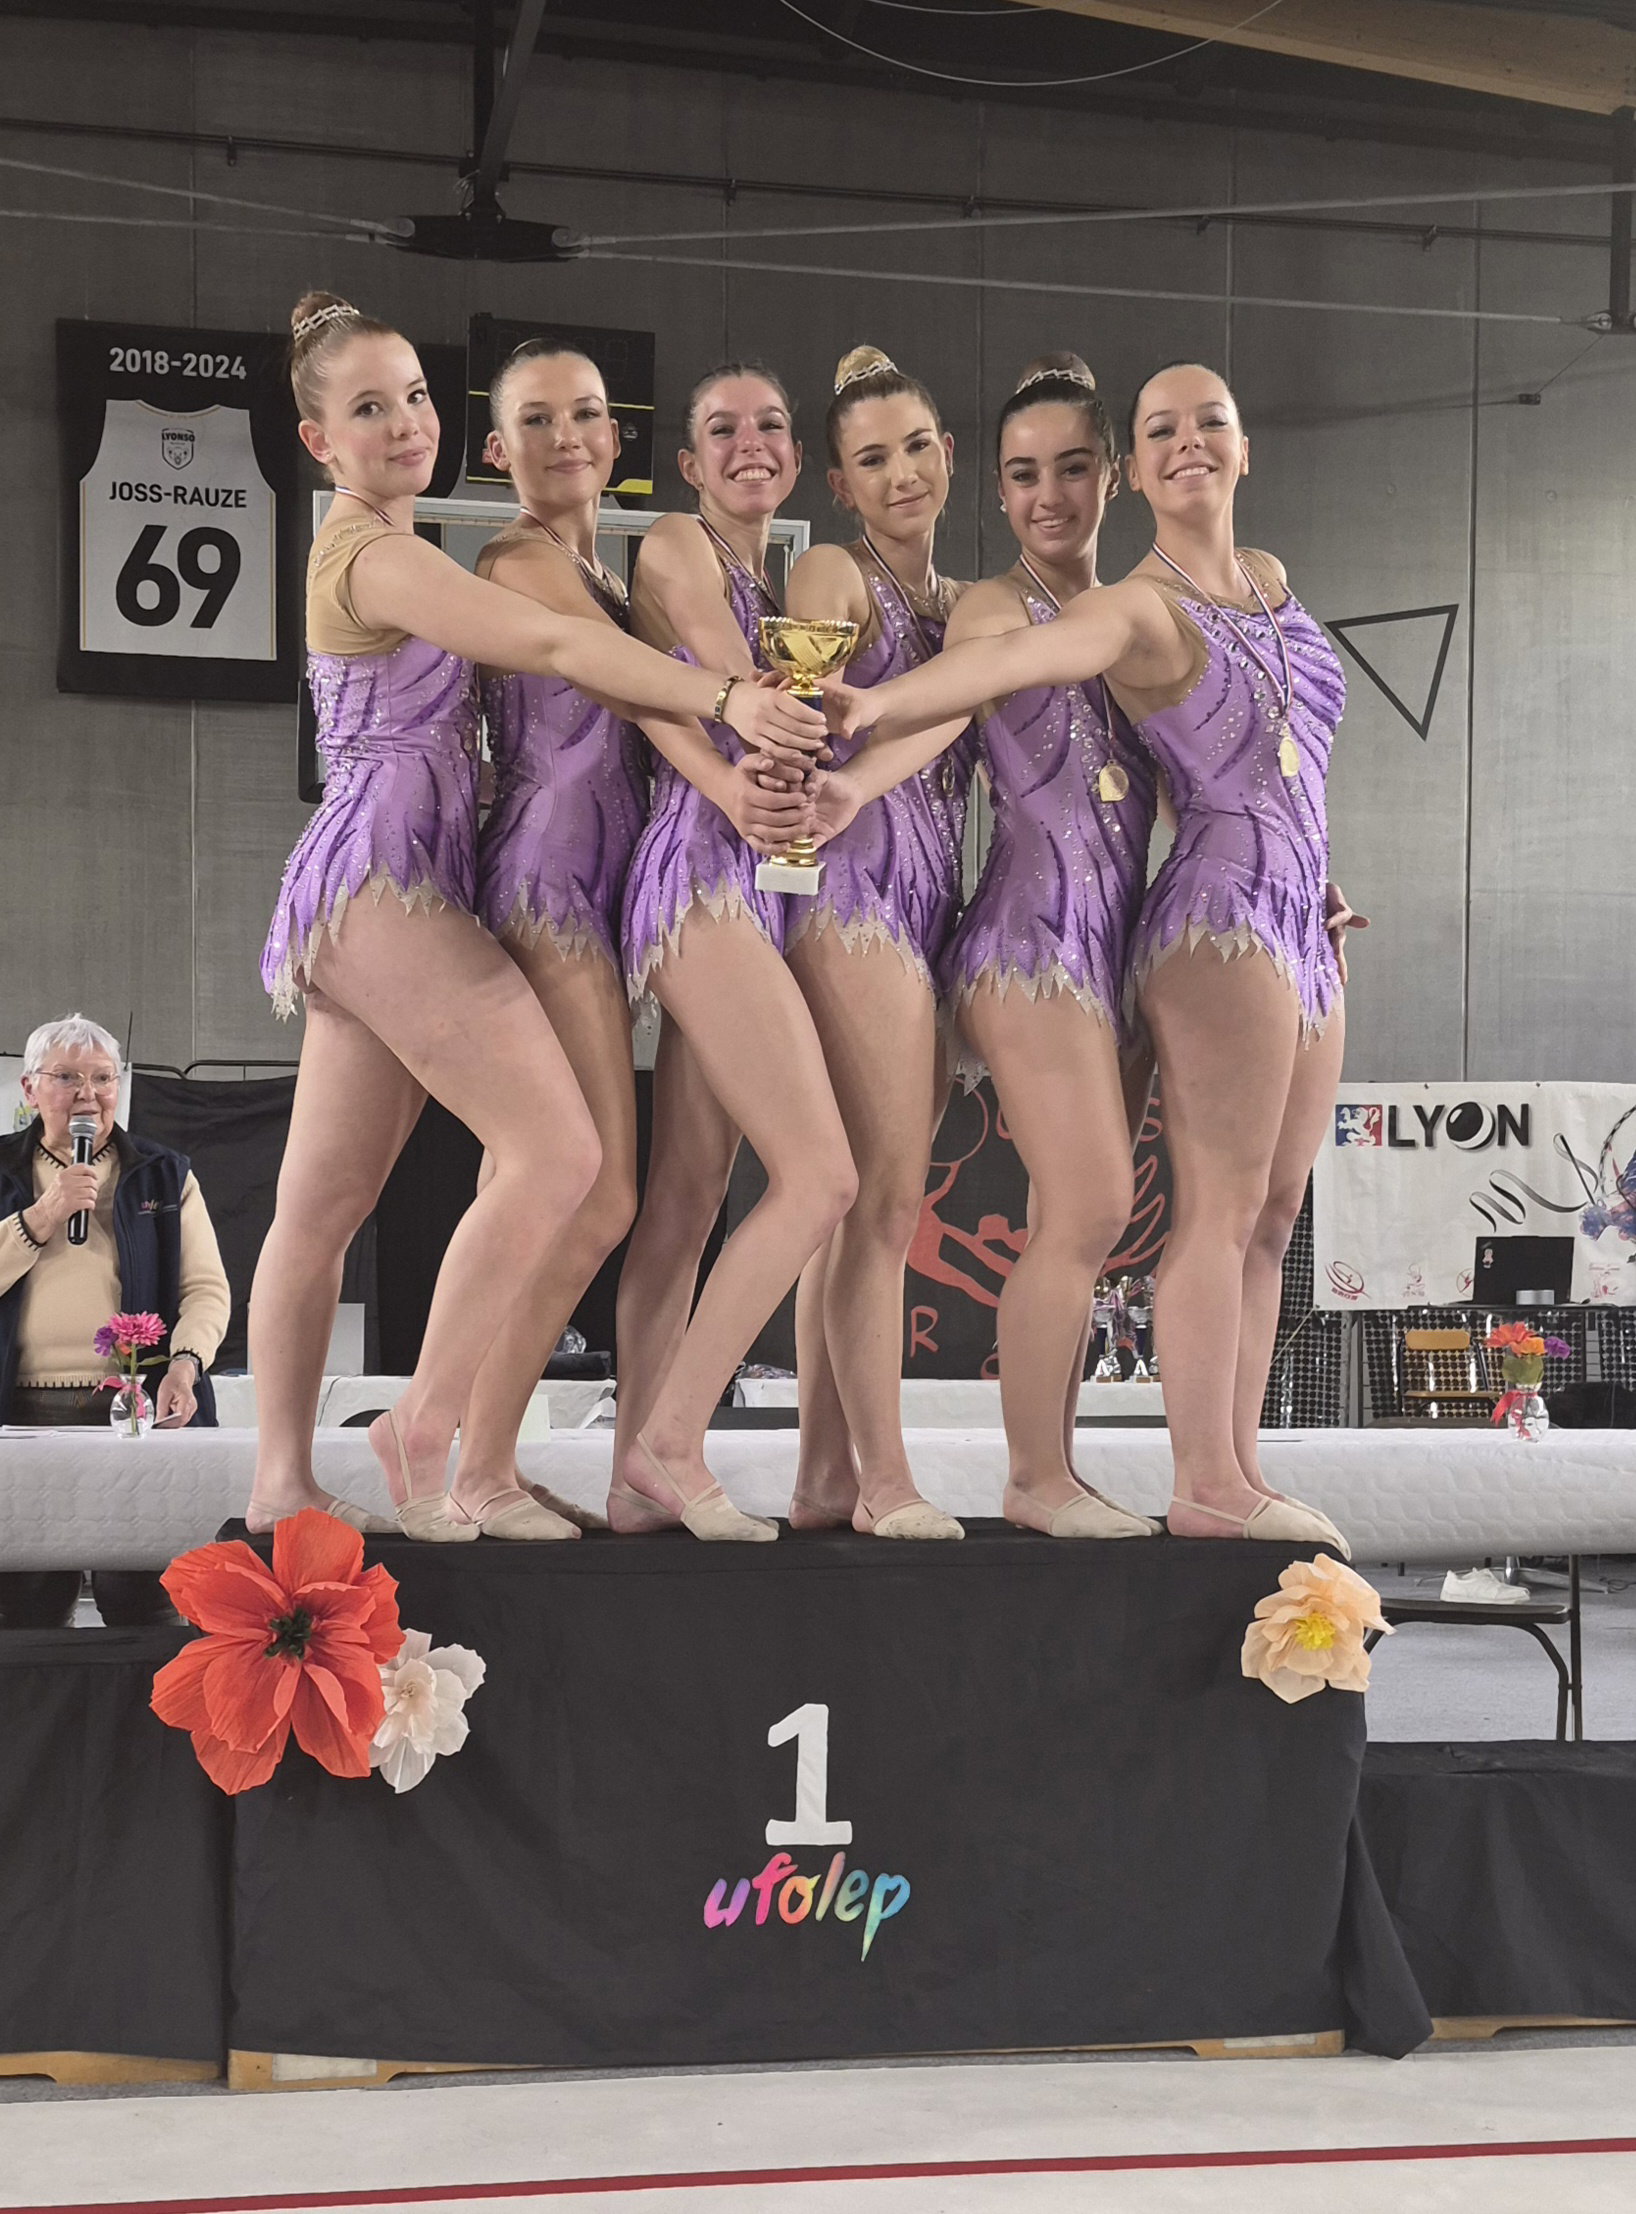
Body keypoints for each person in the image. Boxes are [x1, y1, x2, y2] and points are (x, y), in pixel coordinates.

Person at [247, 297, 825, 1544]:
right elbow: (555, 648)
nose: (404, 423)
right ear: (319, 442)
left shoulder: (440, 549)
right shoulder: (388, 555)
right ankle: (437, 1434)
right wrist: (729, 696)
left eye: (413, 397)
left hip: (424, 879)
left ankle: (287, 1482)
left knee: (326, 1202)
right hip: (407, 881)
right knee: (564, 1167)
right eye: (369, 409)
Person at [821, 362, 1355, 1552]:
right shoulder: (1001, 610)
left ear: (1109, 477)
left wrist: (1298, 866)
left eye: (1071, 468)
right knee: (1094, 1203)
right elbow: (960, 700)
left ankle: (1094, 1470)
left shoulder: (1150, 606)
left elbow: (1210, 763)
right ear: (997, 490)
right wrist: (867, 737)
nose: (1049, 495)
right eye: (1023, 475)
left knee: (1141, 1215)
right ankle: (1036, 1476)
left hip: (1125, 937)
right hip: (1031, 938)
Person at [612, 361, 856, 1540]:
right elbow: (727, 684)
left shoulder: (775, 578)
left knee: (687, 1193)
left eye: (769, 425)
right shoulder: (674, 542)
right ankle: (670, 1438)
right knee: (820, 1177)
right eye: (723, 429)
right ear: (690, 463)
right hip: (700, 876)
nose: (749, 443)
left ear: (796, 459)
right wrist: (788, 708)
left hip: (751, 883)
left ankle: (630, 1481)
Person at [780, 346, 975, 1540]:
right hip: (851, 891)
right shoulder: (829, 573)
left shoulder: (970, 606)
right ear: (840, 485)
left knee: (863, 1206)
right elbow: (796, 722)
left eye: (914, 448)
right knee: (885, 1199)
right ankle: (886, 1478)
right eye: (870, 459)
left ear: (947, 453)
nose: (900, 474)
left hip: (932, 901)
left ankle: (823, 1477)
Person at [0, 1015, 230, 1627]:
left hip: (134, 1411)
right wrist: (41, 1217)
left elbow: (206, 1290)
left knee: (148, 1599)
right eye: (67, 1078)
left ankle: (143, 1692)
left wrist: (186, 1363)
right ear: (29, 1089)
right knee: (20, 1605)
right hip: (18, 1415)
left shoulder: (163, 1173)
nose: (89, 1094)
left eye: (103, 1078)